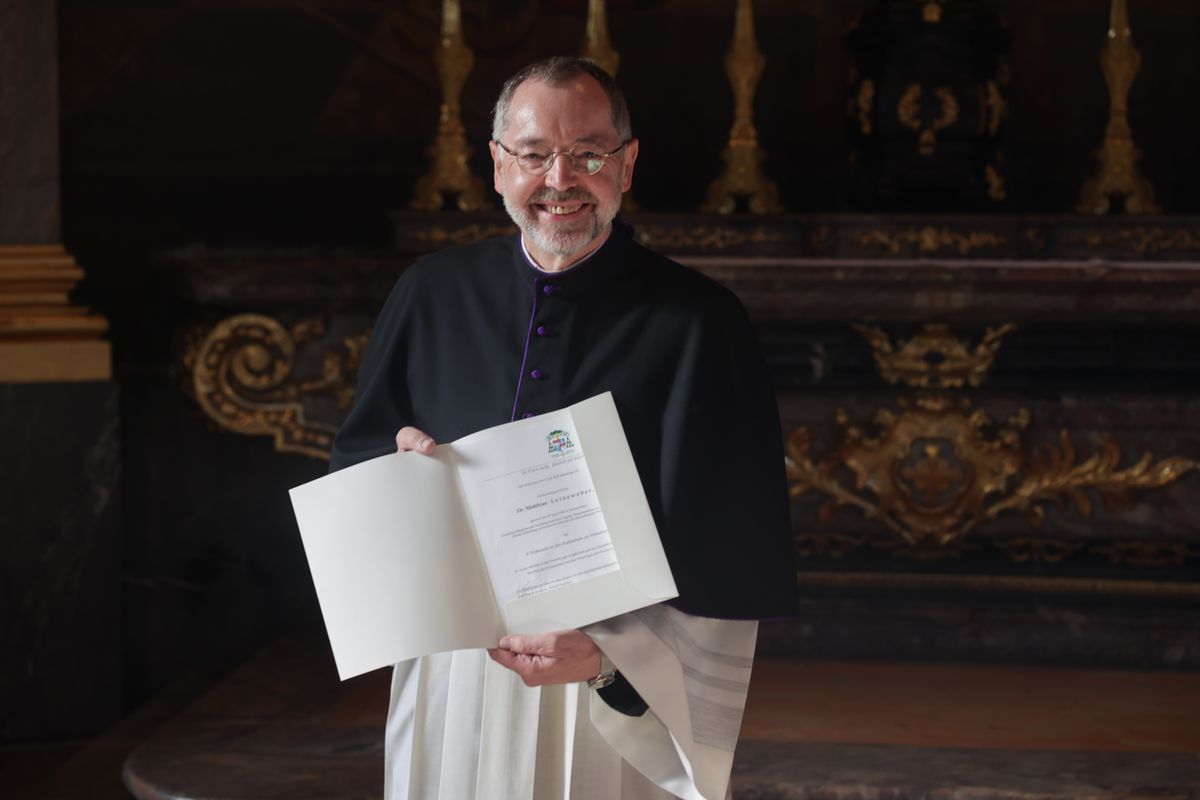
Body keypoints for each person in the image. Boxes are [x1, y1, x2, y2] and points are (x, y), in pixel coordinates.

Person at [330, 56, 796, 800]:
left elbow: (730, 547)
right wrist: (396, 472)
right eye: (534, 154)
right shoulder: (430, 294)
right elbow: (356, 458)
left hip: (608, 686)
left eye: (587, 154)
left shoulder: (701, 323)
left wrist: (611, 660)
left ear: (628, 163)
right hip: (456, 667)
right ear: (496, 164)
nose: (560, 180)